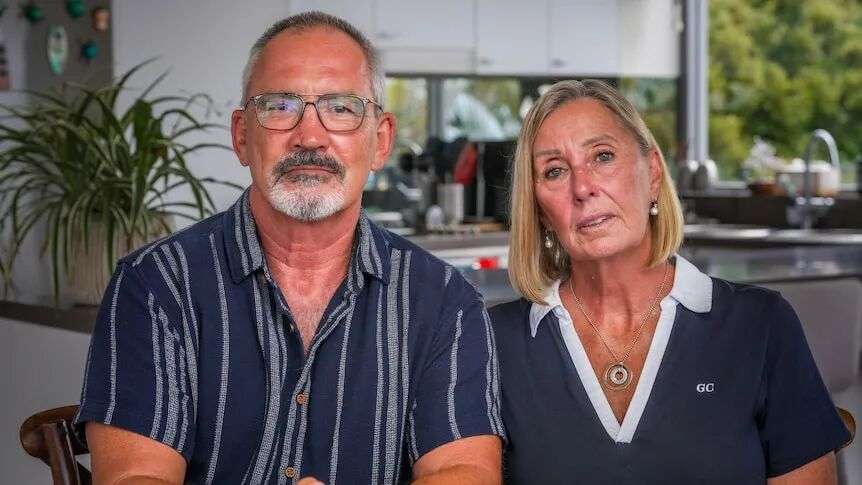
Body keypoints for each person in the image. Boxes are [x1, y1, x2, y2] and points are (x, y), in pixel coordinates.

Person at [74, 11, 504, 484]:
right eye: (279, 106)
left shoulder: (444, 301)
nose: (310, 136)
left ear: (380, 142)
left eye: (341, 108)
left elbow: (464, 472)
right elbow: (135, 478)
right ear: (241, 136)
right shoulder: (156, 286)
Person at [489, 79, 850, 484]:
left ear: (654, 173)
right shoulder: (492, 343)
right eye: (554, 171)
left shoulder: (760, 325)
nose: (583, 187)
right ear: (539, 210)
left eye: (602, 156)